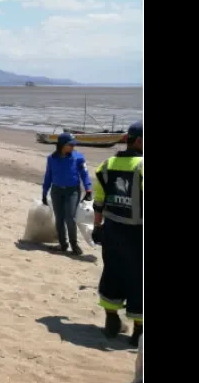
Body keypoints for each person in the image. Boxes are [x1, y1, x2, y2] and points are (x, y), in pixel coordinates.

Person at [91, 120, 143, 346]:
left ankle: (111, 320)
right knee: (138, 279)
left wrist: (97, 226)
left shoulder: (107, 164)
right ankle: (138, 332)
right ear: (139, 141)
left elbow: (99, 200)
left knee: (112, 272)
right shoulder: (141, 166)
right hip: (137, 233)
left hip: (112, 230)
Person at [41, 132, 93, 256]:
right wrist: (44, 192)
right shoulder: (52, 158)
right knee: (59, 218)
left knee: (70, 218)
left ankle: (74, 245)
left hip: (72, 191)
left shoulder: (78, 157)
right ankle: (63, 244)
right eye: (70, 144)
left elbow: (84, 174)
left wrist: (88, 189)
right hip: (56, 191)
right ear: (62, 145)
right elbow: (48, 176)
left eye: (74, 144)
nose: (73, 147)